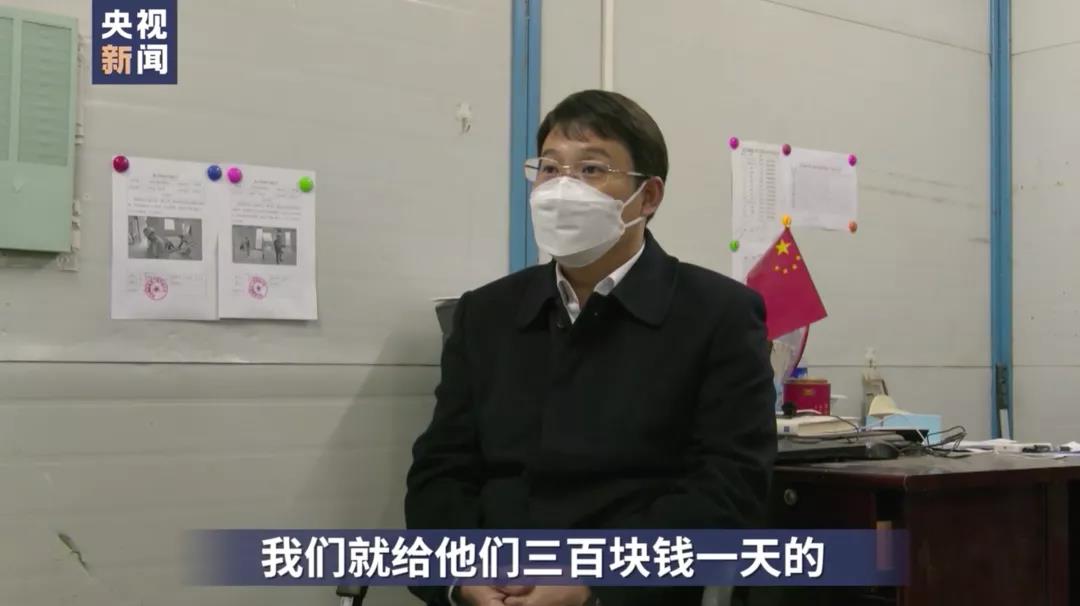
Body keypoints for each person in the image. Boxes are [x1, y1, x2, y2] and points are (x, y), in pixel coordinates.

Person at [405, 90, 777, 606]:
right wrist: (462, 578)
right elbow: (441, 471)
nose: (563, 187)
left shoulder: (718, 315)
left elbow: (729, 488)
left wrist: (592, 583)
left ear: (648, 197)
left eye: (591, 169)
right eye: (550, 168)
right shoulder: (486, 313)